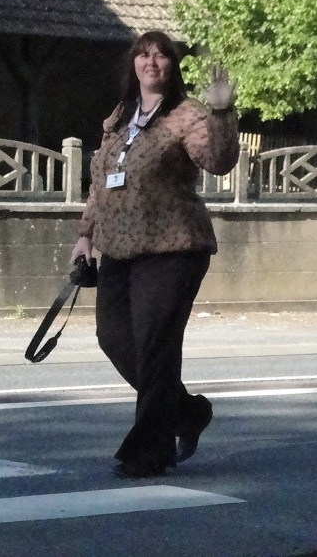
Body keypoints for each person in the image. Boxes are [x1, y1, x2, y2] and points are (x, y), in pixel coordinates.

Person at [71, 30, 239, 479]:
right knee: (114, 338)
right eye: (143, 55)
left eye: (161, 55)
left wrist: (222, 112)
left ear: (172, 66)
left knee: (155, 347)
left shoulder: (188, 115)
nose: (151, 62)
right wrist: (86, 234)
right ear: (133, 64)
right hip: (118, 247)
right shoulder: (120, 117)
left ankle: (149, 451)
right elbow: (102, 181)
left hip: (172, 247)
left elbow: (219, 161)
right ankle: (186, 412)